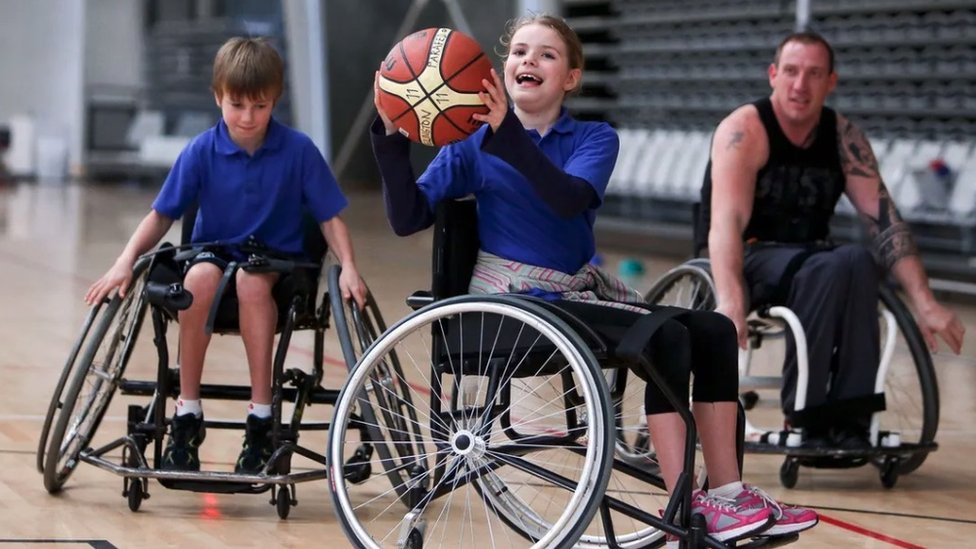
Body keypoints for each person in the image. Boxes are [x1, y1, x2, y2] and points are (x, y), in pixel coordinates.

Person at [371, 14, 816, 545]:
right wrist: (389, 136)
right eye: (518, 52)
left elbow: (566, 200)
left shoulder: (594, 138)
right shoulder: (471, 145)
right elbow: (407, 217)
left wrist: (506, 134)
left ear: (572, 78)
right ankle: (682, 512)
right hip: (511, 308)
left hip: (569, 295)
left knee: (716, 331)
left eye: (546, 54)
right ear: (502, 67)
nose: (527, 61)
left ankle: (725, 496)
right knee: (667, 337)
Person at [85, 37, 367, 475]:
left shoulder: (299, 151)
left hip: (275, 263)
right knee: (197, 279)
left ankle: (260, 417)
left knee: (251, 282)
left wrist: (349, 267)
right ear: (218, 97)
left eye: (260, 105)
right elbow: (160, 216)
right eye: (237, 105)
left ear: (275, 100)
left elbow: (331, 219)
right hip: (213, 254)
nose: (248, 117)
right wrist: (124, 261)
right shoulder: (201, 150)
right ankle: (187, 411)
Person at [702, 31, 965, 449]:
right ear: (773, 75)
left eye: (813, 74)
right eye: (790, 71)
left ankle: (851, 418)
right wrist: (732, 299)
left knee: (859, 260)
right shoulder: (744, 129)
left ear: (831, 82)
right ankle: (808, 416)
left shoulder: (845, 138)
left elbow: (885, 222)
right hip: (748, 254)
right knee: (833, 264)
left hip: (812, 259)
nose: (800, 85)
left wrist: (925, 300)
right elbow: (726, 222)